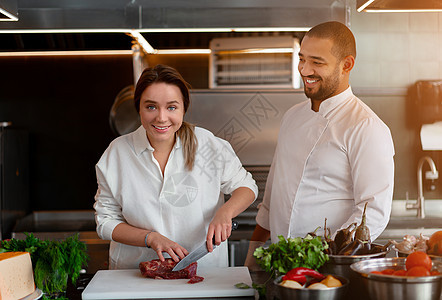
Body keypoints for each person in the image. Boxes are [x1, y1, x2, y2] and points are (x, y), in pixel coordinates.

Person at [245, 21, 395, 269]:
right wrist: (252, 257)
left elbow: (372, 213)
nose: (304, 70)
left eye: (317, 62)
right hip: (280, 266)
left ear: (346, 65)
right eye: (301, 59)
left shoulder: (366, 127)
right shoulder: (292, 116)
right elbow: (273, 195)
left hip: (329, 270)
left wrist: (324, 258)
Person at [94, 64, 258, 270]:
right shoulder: (118, 153)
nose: (161, 117)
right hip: (135, 274)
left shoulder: (207, 144)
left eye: (171, 107)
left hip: (204, 272)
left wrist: (226, 212)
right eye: (151, 107)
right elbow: (105, 222)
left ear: (183, 108)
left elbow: (247, 187)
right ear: (139, 108)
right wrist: (150, 238)